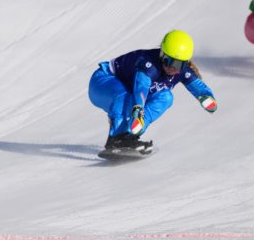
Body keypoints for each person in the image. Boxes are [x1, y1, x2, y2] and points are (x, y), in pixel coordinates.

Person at [88, 30, 217, 152]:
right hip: (102, 82)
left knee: (166, 97)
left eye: (178, 64)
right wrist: (138, 109)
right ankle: (116, 140)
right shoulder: (149, 65)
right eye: (168, 61)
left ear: (185, 64)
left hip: (127, 91)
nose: (172, 67)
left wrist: (207, 98)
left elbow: (199, 88)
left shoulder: (182, 72)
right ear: (161, 54)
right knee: (126, 97)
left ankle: (130, 135)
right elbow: (141, 88)